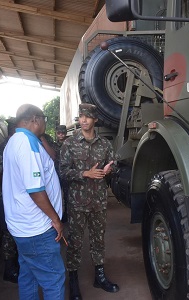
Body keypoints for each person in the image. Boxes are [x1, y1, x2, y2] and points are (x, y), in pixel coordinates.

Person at [2, 104, 66, 299]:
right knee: (53, 279)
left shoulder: (13, 142)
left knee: (28, 276)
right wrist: (55, 219)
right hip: (37, 229)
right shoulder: (28, 145)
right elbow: (35, 190)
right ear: (35, 119)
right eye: (45, 118)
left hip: (22, 228)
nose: (46, 123)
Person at [60, 103, 119, 300]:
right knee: (75, 242)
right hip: (77, 203)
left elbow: (114, 164)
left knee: (98, 240)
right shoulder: (70, 143)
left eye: (87, 116)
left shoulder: (104, 144)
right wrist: (85, 173)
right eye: (81, 116)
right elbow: (63, 172)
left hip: (99, 201)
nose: (83, 119)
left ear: (95, 119)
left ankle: (99, 277)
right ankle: (74, 280)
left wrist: (110, 169)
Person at [0, 117, 19, 283]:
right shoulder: (6, 148)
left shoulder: (9, 145)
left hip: (12, 197)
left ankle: (14, 266)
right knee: (9, 233)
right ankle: (9, 270)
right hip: (6, 197)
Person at [55, 124, 69, 223]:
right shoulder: (53, 145)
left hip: (67, 173)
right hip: (56, 174)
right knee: (57, 196)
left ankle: (67, 215)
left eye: (63, 133)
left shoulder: (69, 144)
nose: (61, 135)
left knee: (68, 196)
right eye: (59, 133)